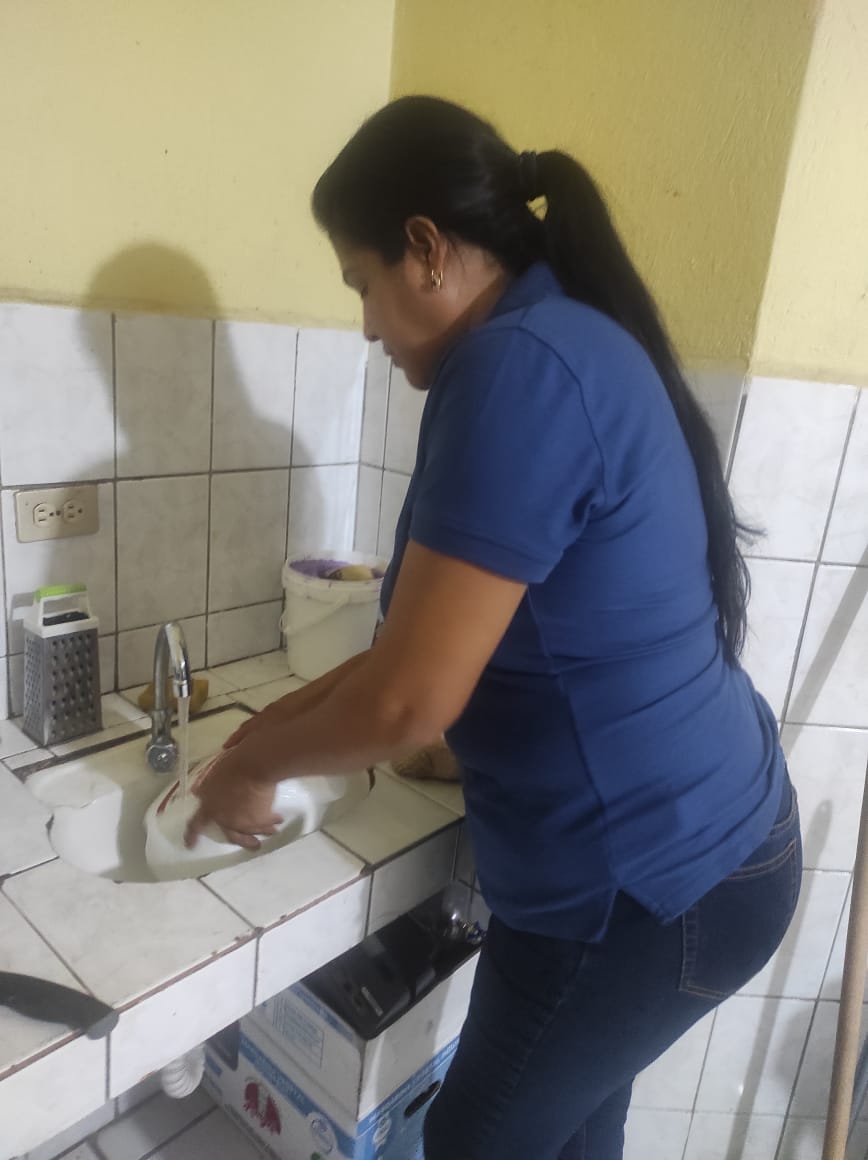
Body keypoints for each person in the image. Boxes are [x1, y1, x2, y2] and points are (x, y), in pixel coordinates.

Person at [186, 96, 802, 1159]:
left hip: (652, 886)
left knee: (477, 1139)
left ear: (426, 249)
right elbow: (407, 657)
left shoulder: (521, 369)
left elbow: (410, 703)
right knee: (572, 1131)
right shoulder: (555, 340)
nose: (366, 325)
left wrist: (253, 770)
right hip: (695, 855)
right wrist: (261, 736)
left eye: (361, 284)